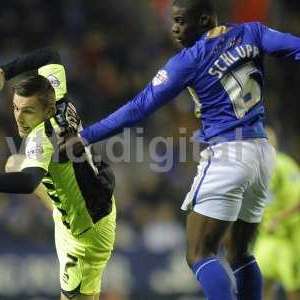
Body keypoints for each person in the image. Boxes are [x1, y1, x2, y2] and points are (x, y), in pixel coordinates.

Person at [63, 0, 300, 299]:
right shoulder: (253, 32)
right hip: (262, 154)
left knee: (199, 253)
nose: (173, 28)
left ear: (203, 19)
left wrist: (85, 136)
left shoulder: (190, 60)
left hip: (228, 154)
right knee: (240, 253)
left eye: (180, 20)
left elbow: (138, 108)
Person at [0, 49, 117, 300]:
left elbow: (26, 182)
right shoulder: (57, 96)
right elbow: (51, 56)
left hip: (85, 236)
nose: (19, 118)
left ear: (46, 110)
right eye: (16, 108)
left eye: (28, 111)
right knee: (14, 162)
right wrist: (4, 72)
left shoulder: (43, 138)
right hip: (86, 202)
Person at [254, 128, 300, 300]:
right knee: (261, 283)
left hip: (288, 238)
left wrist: (278, 219)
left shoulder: (284, 165)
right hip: (267, 237)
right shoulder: (256, 169)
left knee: (293, 288)